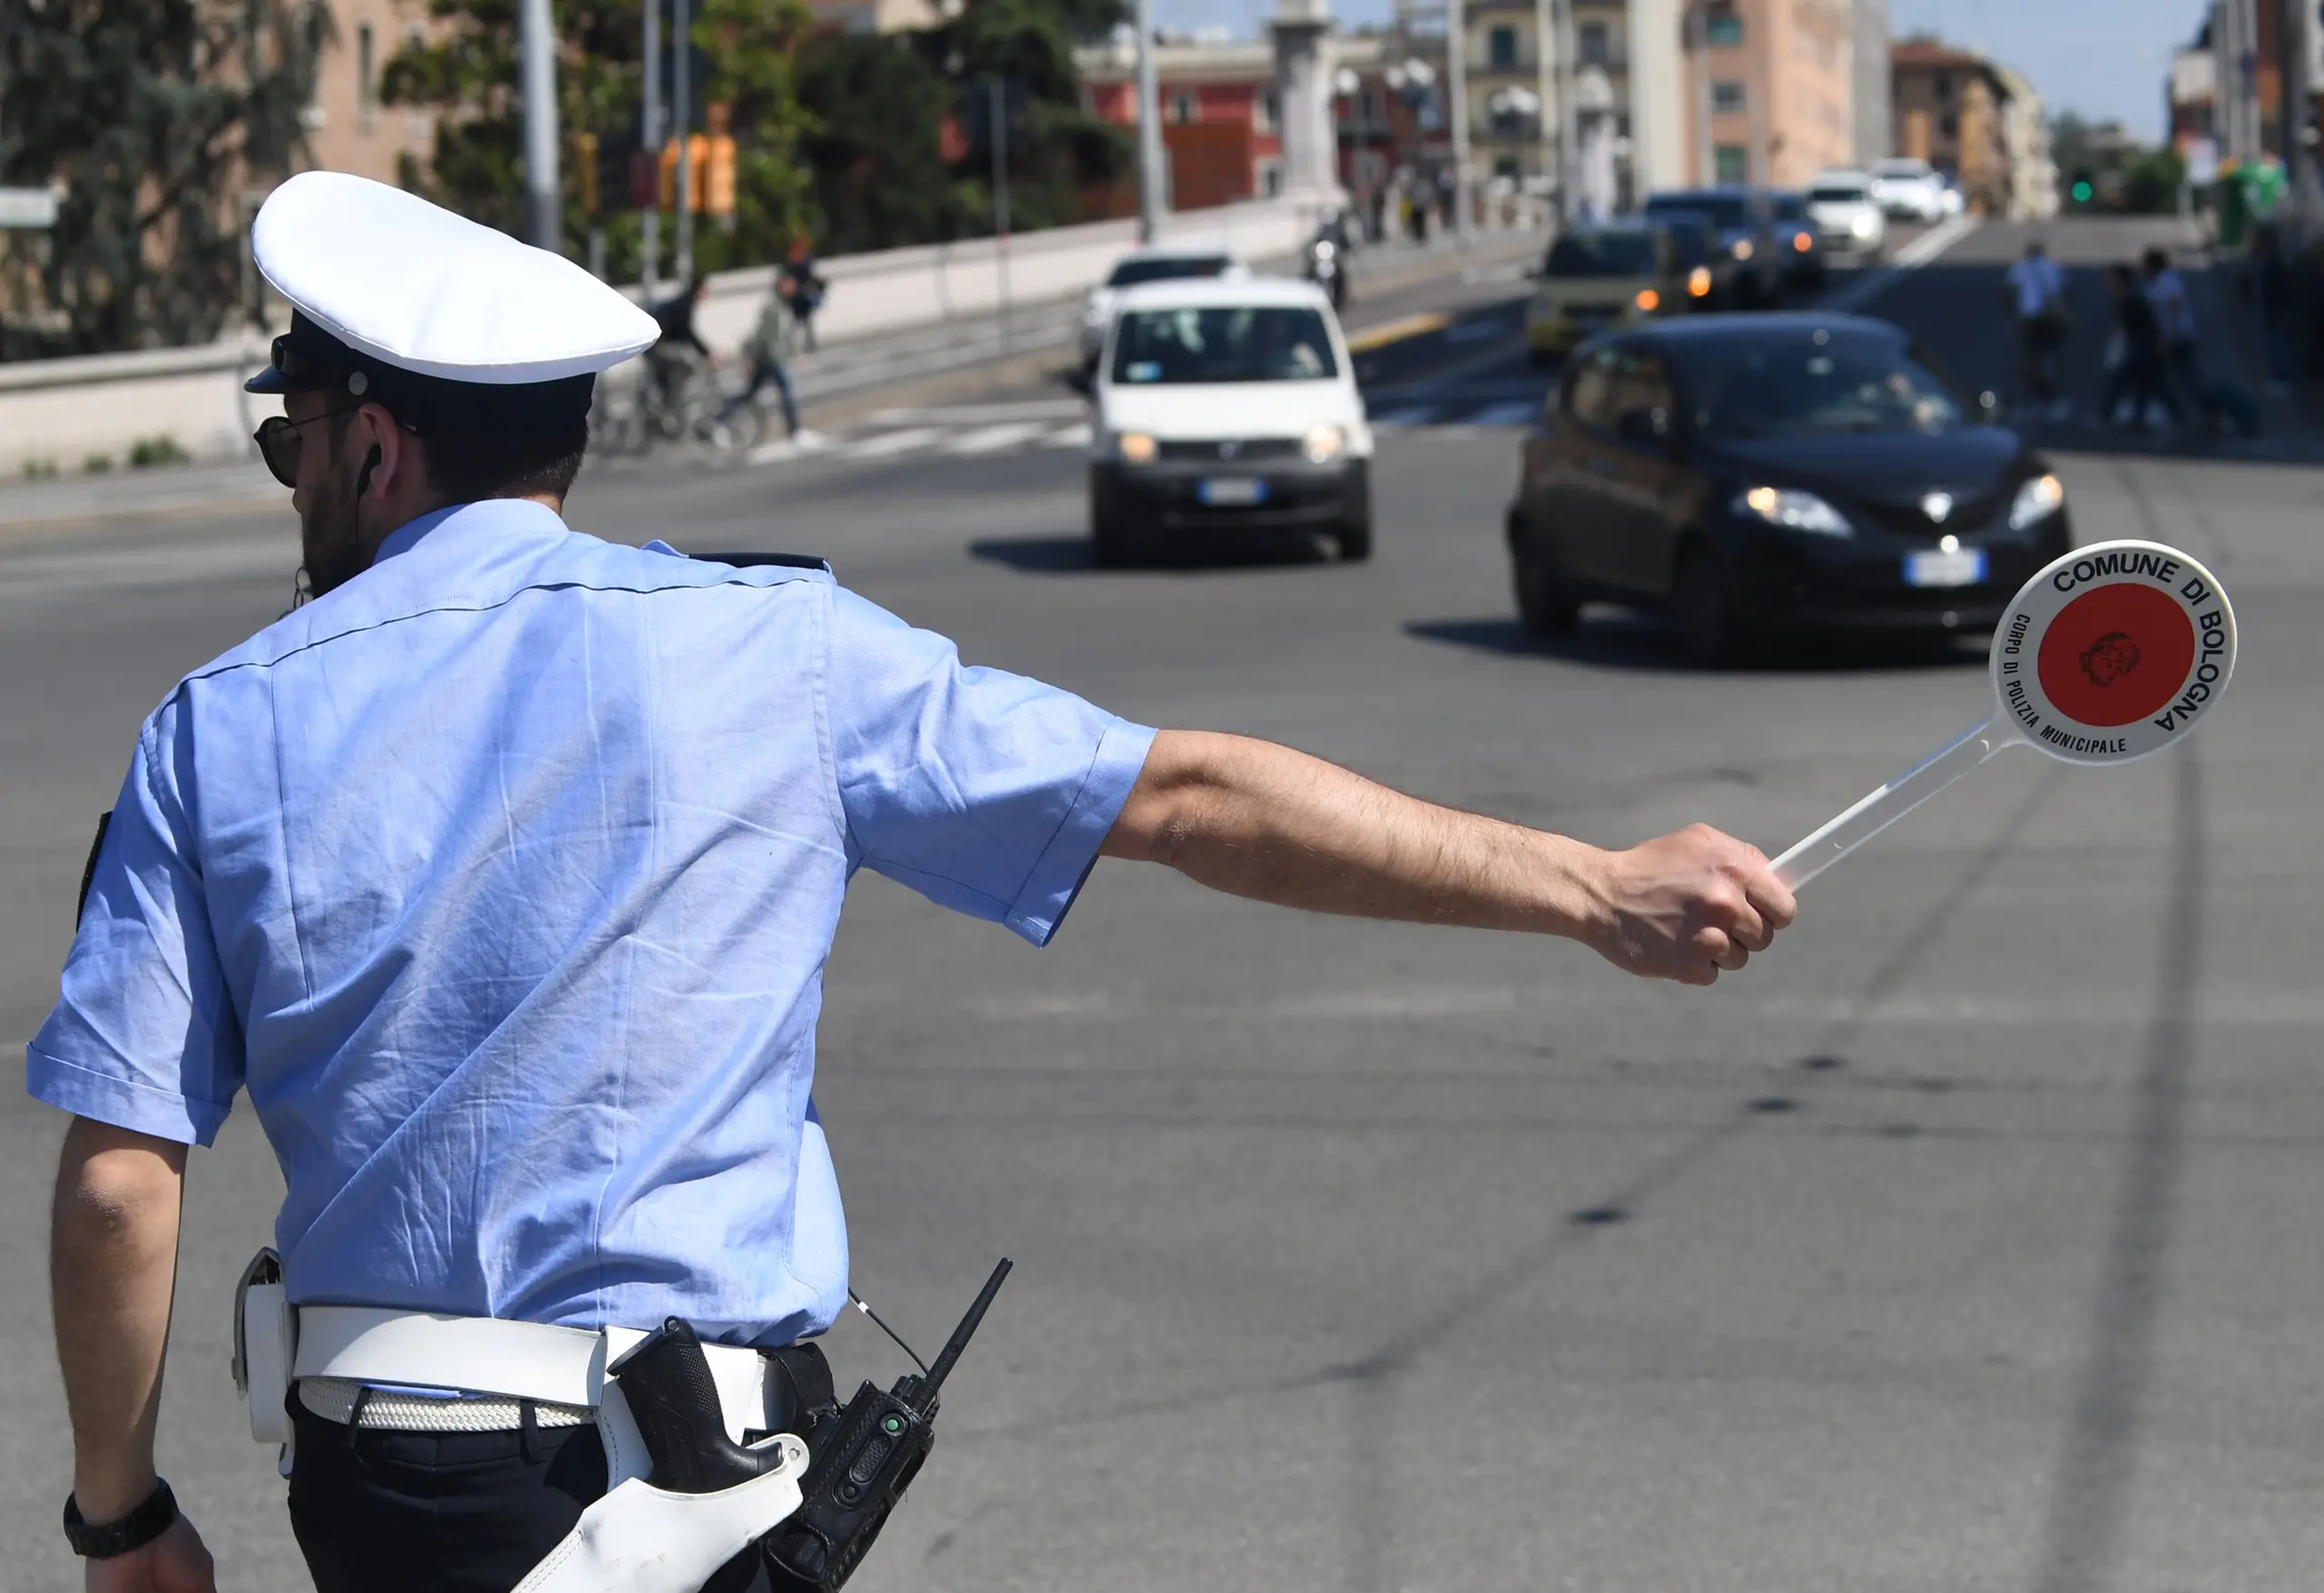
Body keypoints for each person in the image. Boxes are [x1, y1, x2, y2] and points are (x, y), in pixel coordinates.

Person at [35, 172, 1795, 1593]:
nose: (293, 492)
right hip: (700, 1489)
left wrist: (122, 1518)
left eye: (292, 449)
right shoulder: (781, 654)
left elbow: (124, 1183)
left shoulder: (217, 726)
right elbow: (1184, 795)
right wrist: (1587, 883)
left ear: (370, 445)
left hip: (395, 1494)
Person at [719, 280, 815, 447]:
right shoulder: (772, 308)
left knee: (750, 394)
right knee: (786, 392)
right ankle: (794, 432)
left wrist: (794, 353)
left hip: (773, 358)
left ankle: (719, 417)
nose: (792, 289)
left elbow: (785, 335)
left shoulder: (784, 307)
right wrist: (751, 358)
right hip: (770, 359)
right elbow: (761, 335)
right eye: (788, 285)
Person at [2102, 261, 2178, 431]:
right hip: (2144, 349)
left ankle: (2107, 414)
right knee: (2149, 385)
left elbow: (2150, 325)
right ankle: (2141, 419)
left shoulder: (2131, 300)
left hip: (2145, 349)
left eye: (2111, 278)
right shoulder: (2126, 299)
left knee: (2122, 378)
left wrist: (2159, 344)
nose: (2107, 282)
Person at [2002, 239, 2069, 418]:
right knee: (2049, 355)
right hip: (2049, 317)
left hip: (2028, 318)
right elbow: (2064, 291)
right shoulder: (2052, 267)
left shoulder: (2020, 268)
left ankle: (2029, 394)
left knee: (2028, 357)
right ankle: (2051, 393)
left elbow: (2008, 290)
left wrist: (2011, 309)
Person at [645, 270, 715, 421]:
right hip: (657, 346)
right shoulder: (685, 304)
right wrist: (707, 353)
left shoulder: (683, 302)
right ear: (698, 291)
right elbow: (687, 333)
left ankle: (668, 399)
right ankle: (671, 401)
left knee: (679, 365)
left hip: (656, 345)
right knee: (688, 364)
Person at [778, 238, 827, 352]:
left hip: (802, 296)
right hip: (797, 296)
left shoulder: (802, 261)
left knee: (804, 321)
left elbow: (810, 277)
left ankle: (806, 343)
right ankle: (797, 344)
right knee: (798, 322)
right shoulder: (790, 263)